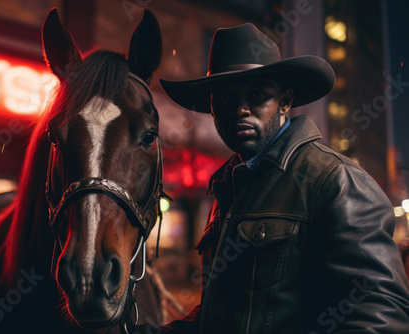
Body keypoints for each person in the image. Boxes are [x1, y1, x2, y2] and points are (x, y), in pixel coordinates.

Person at [139, 23, 409, 333]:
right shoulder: (230, 189)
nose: (240, 109)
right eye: (225, 99)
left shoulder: (337, 182)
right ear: (212, 109)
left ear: (284, 102)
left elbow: (380, 320)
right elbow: (221, 318)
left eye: (256, 95)